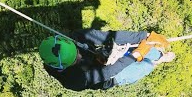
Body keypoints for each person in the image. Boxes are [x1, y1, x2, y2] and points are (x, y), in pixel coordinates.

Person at [39, 29, 175, 91]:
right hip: (108, 78)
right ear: (63, 67)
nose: (79, 55)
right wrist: (136, 55)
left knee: (149, 47)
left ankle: (160, 56)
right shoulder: (74, 81)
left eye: (77, 51)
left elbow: (109, 36)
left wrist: (144, 36)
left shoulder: (76, 37)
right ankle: (157, 62)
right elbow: (108, 72)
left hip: (99, 57)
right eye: (75, 59)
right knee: (145, 66)